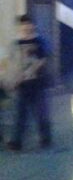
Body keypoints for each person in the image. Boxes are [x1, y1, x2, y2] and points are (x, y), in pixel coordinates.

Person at [7, 14, 51, 151]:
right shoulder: (15, 43)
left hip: (37, 83)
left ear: (33, 25)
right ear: (20, 27)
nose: (26, 27)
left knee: (41, 114)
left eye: (28, 24)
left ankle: (45, 139)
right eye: (23, 24)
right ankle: (16, 142)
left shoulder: (39, 41)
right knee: (19, 115)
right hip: (21, 85)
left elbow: (44, 59)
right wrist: (12, 78)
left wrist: (30, 70)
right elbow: (11, 62)